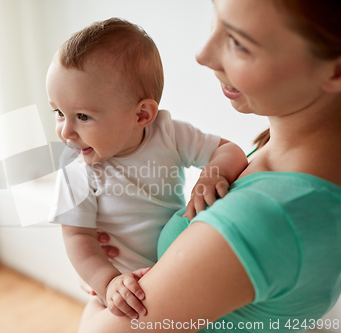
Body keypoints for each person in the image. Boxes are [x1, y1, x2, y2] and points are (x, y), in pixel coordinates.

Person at [76, 0, 341, 332]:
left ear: (335, 70)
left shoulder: (262, 218)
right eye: (215, 20)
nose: (203, 55)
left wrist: (101, 294)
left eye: (239, 43)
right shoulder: (286, 160)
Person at [46, 18, 248, 320]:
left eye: (83, 116)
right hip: (126, 287)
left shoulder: (167, 134)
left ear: (142, 114)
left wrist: (213, 173)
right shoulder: (77, 171)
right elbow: (78, 238)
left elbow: (229, 151)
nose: (65, 131)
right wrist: (107, 282)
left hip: (178, 271)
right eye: (59, 113)